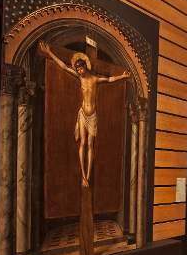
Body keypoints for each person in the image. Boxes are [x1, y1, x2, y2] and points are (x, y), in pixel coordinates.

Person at [39, 41, 130, 187]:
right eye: (78, 69)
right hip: (82, 114)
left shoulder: (94, 79)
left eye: (81, 68)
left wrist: (122, 76)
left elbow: (109, 79)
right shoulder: (80, 78)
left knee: (90, 144)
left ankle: (88, 174)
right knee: (82, 143)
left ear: (85, 67)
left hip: (92, 116)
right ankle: (83, 176)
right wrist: (49, 52)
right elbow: (63, 66)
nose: (79, 71)